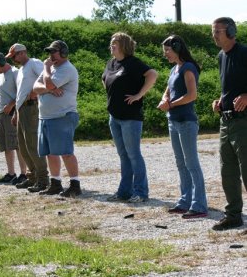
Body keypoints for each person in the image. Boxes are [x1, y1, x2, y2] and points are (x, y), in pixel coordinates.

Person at [102, 32, 157, 203]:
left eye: (115, 43)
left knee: (133, 154)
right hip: (114, 116)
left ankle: (141, 192)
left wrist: (139, 94)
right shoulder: (111, 63)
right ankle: (124, 192)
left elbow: (152, 74)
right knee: (123, 155)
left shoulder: (133, 63)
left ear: (123, 45)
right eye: (111, 43)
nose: (111, 45)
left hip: (130, 117)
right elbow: (105, 79)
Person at [157, 35, 208, 219]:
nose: (166, 54)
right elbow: (168, 90)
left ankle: (200, 205)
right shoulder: (174, 69)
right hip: (174, 121)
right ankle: (185, 201)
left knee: (192, 164)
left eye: (168, 51)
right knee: (181, 164)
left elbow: (192, 95)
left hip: (186, 122)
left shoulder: (188, 68)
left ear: (177, 48)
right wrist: (164, 99)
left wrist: (170, 105)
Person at [211, 17, 247, 231]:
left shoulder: (244, 54)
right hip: (226, 121)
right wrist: (220, 100)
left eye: (218, 31)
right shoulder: (221, 56)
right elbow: (229, 87)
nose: (214, 35)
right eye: (213, 31)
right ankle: (233, 215)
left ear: (231, 31)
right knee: (228, 171)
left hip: (244, 123)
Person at [33, 40, 81, 197]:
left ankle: (75, 184)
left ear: (63, 53)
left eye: (54, 51)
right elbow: (35, 87)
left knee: (66, 152)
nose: (50, 55)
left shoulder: (66, 69)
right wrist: (49, 89)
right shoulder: (51, 68)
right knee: (50, 153)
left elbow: (47, 84)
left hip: (62, 116)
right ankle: (55, 183)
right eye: (50, 51)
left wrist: (46, 71)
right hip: (46, 117)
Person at [5, 43, 49, 192]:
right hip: (22, 109)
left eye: (15, 56)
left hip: (31, 107)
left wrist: (35, 93)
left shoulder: (34, 63)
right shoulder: (22, 69)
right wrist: (16, 112)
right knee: (23, 147)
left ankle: (43, 179)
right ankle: (32, 177)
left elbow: (45, 78)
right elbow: (21, 92)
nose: (14, 60)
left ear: (22, 53)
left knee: (32, 145)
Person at [0, 52, 27, 185]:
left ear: (2, 63)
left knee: (17, 144)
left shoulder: (15, 73)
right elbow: (2, 94)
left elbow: (22, 93)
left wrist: (11, 105)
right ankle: (11, 173)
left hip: (12, 114)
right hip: (2, 114)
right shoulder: (1, 75)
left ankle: (24, 173)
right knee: (6, 145)